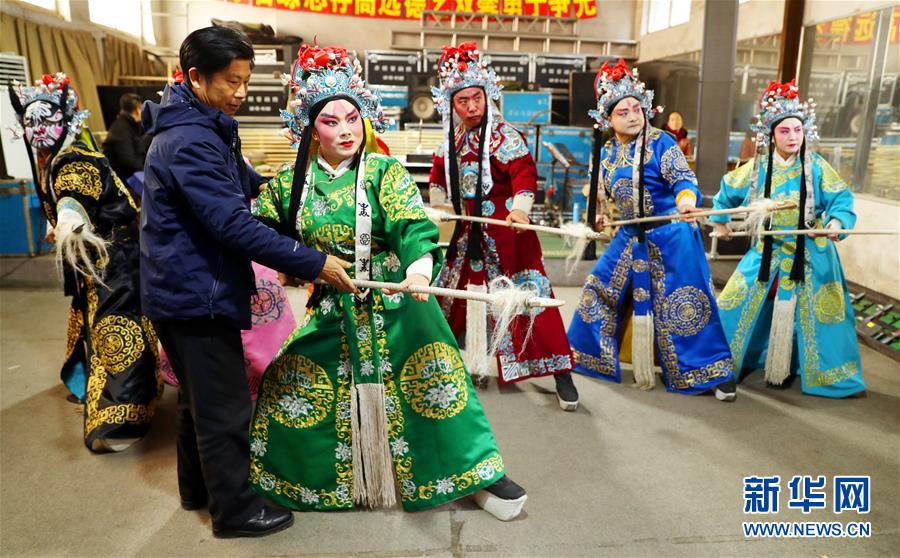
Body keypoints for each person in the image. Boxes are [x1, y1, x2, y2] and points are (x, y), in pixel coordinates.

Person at [248, 44, 527, 521]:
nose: (344, 130)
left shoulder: (384, 171)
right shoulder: (291, 184)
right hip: (335, 308)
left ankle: (475, 474)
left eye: (351, 119)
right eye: (330, 122)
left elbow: (413, 224)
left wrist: (419, 268)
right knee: (292, 382)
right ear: (310, 130)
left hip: (399, 303)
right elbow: (252, 224)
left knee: (437, 389)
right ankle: (300, 478)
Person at [140, 26, 355, 539]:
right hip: (195, 292)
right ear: (195, 77)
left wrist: (301, 191)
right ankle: (235, 512)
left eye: (245, 81)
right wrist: (312, 262)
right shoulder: (190, 140)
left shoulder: (207, 123)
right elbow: (231, 222)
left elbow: (248, 187)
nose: (240, 93)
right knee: (224, 407)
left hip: (184, 286)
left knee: (195, 401)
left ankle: (198, 490)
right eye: (230, 82)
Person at [8, 72, 162, 452]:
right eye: (30, 121)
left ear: (67, 122)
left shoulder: (73, 159)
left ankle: (123, 420)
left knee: (117, 334)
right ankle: (98, 393)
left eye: (47, 120)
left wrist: (70, 218)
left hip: (117, 263)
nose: (38, 129)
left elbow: (74, 196)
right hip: (100, 263)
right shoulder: (53, 157)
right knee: (91, 327)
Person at [567, 59, 736, 401]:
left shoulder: (662, 142)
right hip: (629, 236)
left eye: (636, 109)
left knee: (687, 303)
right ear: (608, 119)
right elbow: (600, 193)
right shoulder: (606, 151)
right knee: (598, 288)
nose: (632, 116)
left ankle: (710, 372)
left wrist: (687, 202)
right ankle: (586, 357)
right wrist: (599, 215)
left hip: (671, 234)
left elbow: (683, 180)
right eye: (622, 112)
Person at [427, 42, 579, 411]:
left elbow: (524, 174)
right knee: (450, 299)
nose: (471, 107)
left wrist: (522, 210)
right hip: (468, 235)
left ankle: (560, 372)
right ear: (452, 104)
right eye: (463, 101)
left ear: (488, 96)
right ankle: (449, 366)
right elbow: (438, 180)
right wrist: (438, 211)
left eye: (477, 98)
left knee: (531, 302)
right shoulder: (451, 140)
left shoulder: (505, 135)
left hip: (508, 234)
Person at [710, 79, 865, 398]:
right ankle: (720, 363)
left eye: (797, 129)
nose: (793, 136)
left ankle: (823, 373)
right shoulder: (757, 169)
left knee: (824, 314)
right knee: (732, 302)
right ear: (771, 134)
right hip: (767, 251)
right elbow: (726, 194)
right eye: (784, 131)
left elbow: (841, 201)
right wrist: (721, 221)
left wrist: (835, 222)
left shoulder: (817, 167)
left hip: (813, 252)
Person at [102, 93, 148, 185]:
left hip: (129, 171)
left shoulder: (130, 124)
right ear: (137, 110)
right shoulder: (121, 129)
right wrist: (148, 170)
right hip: (123, 177)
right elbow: (128, 160)